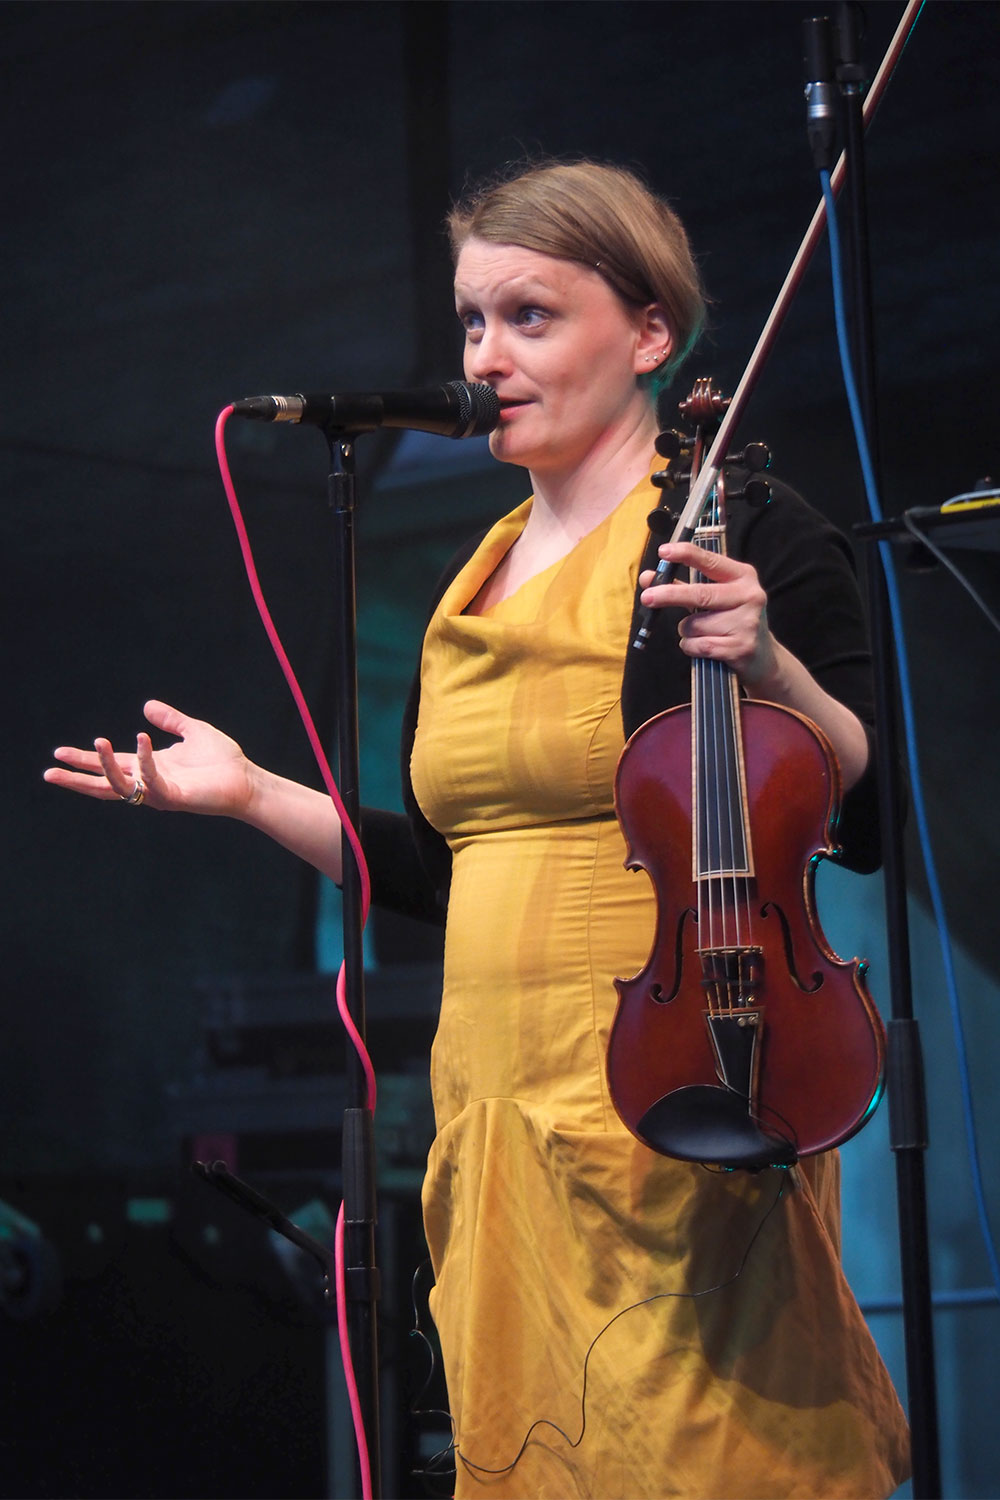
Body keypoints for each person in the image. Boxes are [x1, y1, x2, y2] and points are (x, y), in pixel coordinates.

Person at [46, 159, 909, 1498]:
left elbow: (855, 804)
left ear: (648, 335)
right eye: (470, 321)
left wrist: (772, 667)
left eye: (531, 317)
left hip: (678, 1083)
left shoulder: (734, 531)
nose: (487, 355)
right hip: (494, 1119)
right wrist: (257, 795)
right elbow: (461, 870)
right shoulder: (474, 577)